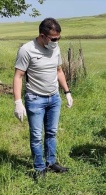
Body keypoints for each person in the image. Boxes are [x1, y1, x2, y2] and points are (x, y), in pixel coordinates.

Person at [13, 18, 73, 178]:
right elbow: (18, 76)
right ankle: (39, 168)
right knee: (37, 136)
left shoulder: (56, 48)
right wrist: (18, 102)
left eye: (59, 38)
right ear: (42, 35)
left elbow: (59, 70)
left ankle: (51, 162)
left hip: (54, 98)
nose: (56, 41)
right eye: (54, 39)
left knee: (52, 132)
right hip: (35, 99)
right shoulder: (26, 50)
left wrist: (67, 92)